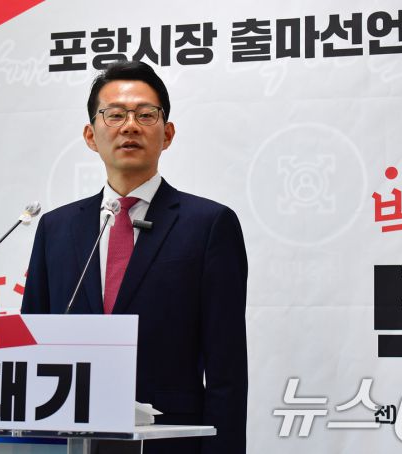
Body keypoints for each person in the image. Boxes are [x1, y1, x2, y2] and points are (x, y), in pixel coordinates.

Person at [21, 60, 247, 454]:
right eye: (115, 115)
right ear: (91, 135)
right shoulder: (56, 228)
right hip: (69, 437)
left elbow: (226, 369)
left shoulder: (209, 225)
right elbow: (32, 347)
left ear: (167, 133)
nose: (130, 126)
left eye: (145, 115)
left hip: (168, 440)